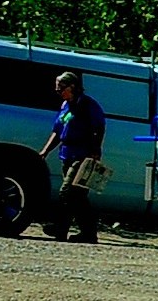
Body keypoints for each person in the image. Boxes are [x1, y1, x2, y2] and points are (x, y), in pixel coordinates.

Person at [38, 71, 107, 243]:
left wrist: (96, 150)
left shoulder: (88, 105)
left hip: (82, 156)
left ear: (73, 87)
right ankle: (86, 233)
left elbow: (99, 127)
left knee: (67, 192)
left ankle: (58, 226)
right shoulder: (65, 106)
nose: (58, 91)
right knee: (78, 198)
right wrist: (45, 151)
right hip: (66, 154)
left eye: (61, 88)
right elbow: (58, 131)